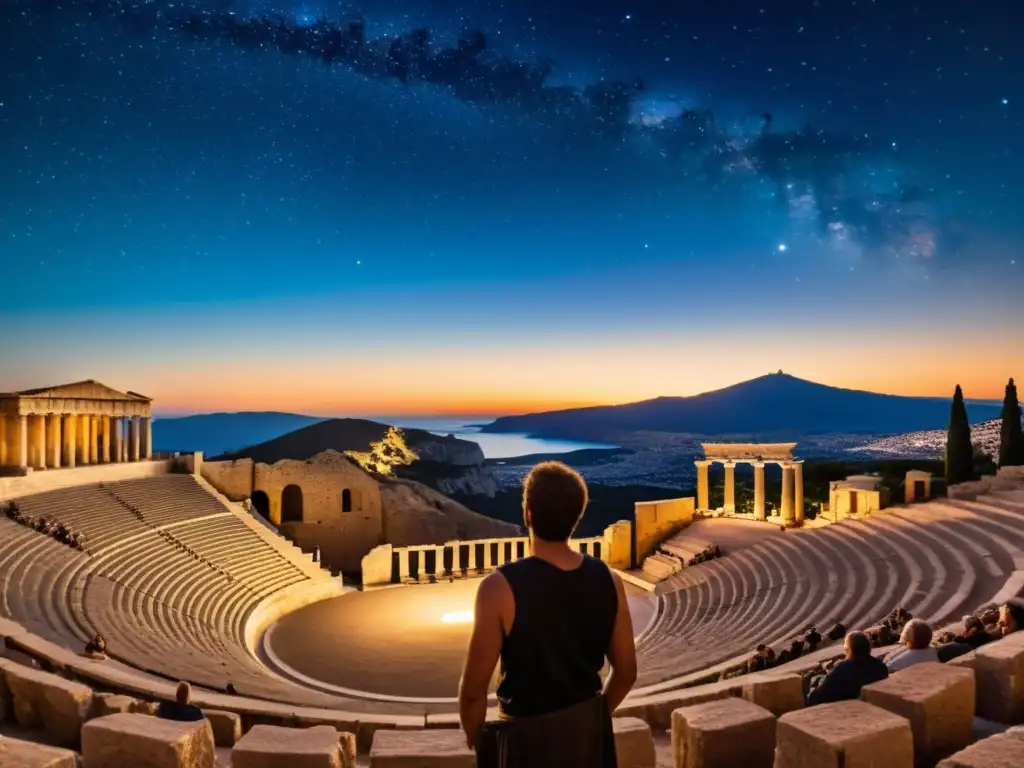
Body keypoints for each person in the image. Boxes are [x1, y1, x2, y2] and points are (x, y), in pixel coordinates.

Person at [459, 462, 636, 768]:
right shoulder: (610, 579)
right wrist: (594, 717)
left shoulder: (498, 588)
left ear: (528, 513)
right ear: (576, 517)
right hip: (588, 744)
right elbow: (627, 672)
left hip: (524, 743)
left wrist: (481, 743)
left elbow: (474, 693)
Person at [806, 631, 888, 706]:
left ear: (849, 650)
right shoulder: (881, 666)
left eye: (845, 650)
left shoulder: (843, 669)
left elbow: (816, 698)